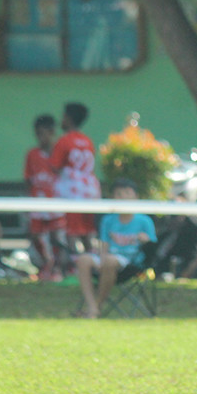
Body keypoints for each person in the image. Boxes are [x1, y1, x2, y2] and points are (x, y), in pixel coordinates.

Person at [75, 179, 156, 318]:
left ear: (136, 197)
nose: (123, 197)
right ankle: (91, 306)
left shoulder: (144, 221)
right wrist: (101, 259)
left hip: (131, 263)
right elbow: (104, 244)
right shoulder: (108, 220)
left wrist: (145, 240)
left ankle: (98, 305)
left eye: (127, 193)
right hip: (108, 258)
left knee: (110, 261)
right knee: (83, 260)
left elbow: (153, 247)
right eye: (118, 194)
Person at [51, 102, 102, 255]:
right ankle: (92, 261)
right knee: (88, 230)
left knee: (71, 230)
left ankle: (74, 265)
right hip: (90, 190)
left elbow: (55, 166)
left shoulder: (64, 140)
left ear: (68, 118)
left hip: (72, 190)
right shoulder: (88, 141)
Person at [24, 114, 69, 281]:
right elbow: (28, 178)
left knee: (56, 236)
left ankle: (58, 268)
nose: (40, 138)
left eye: (43, 133)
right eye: (37, 134)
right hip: (38, 201)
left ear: (52, 132)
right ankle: (45, 265)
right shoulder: (32, 154)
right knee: (36, 235)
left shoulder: (60, 154)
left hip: (56, 201)